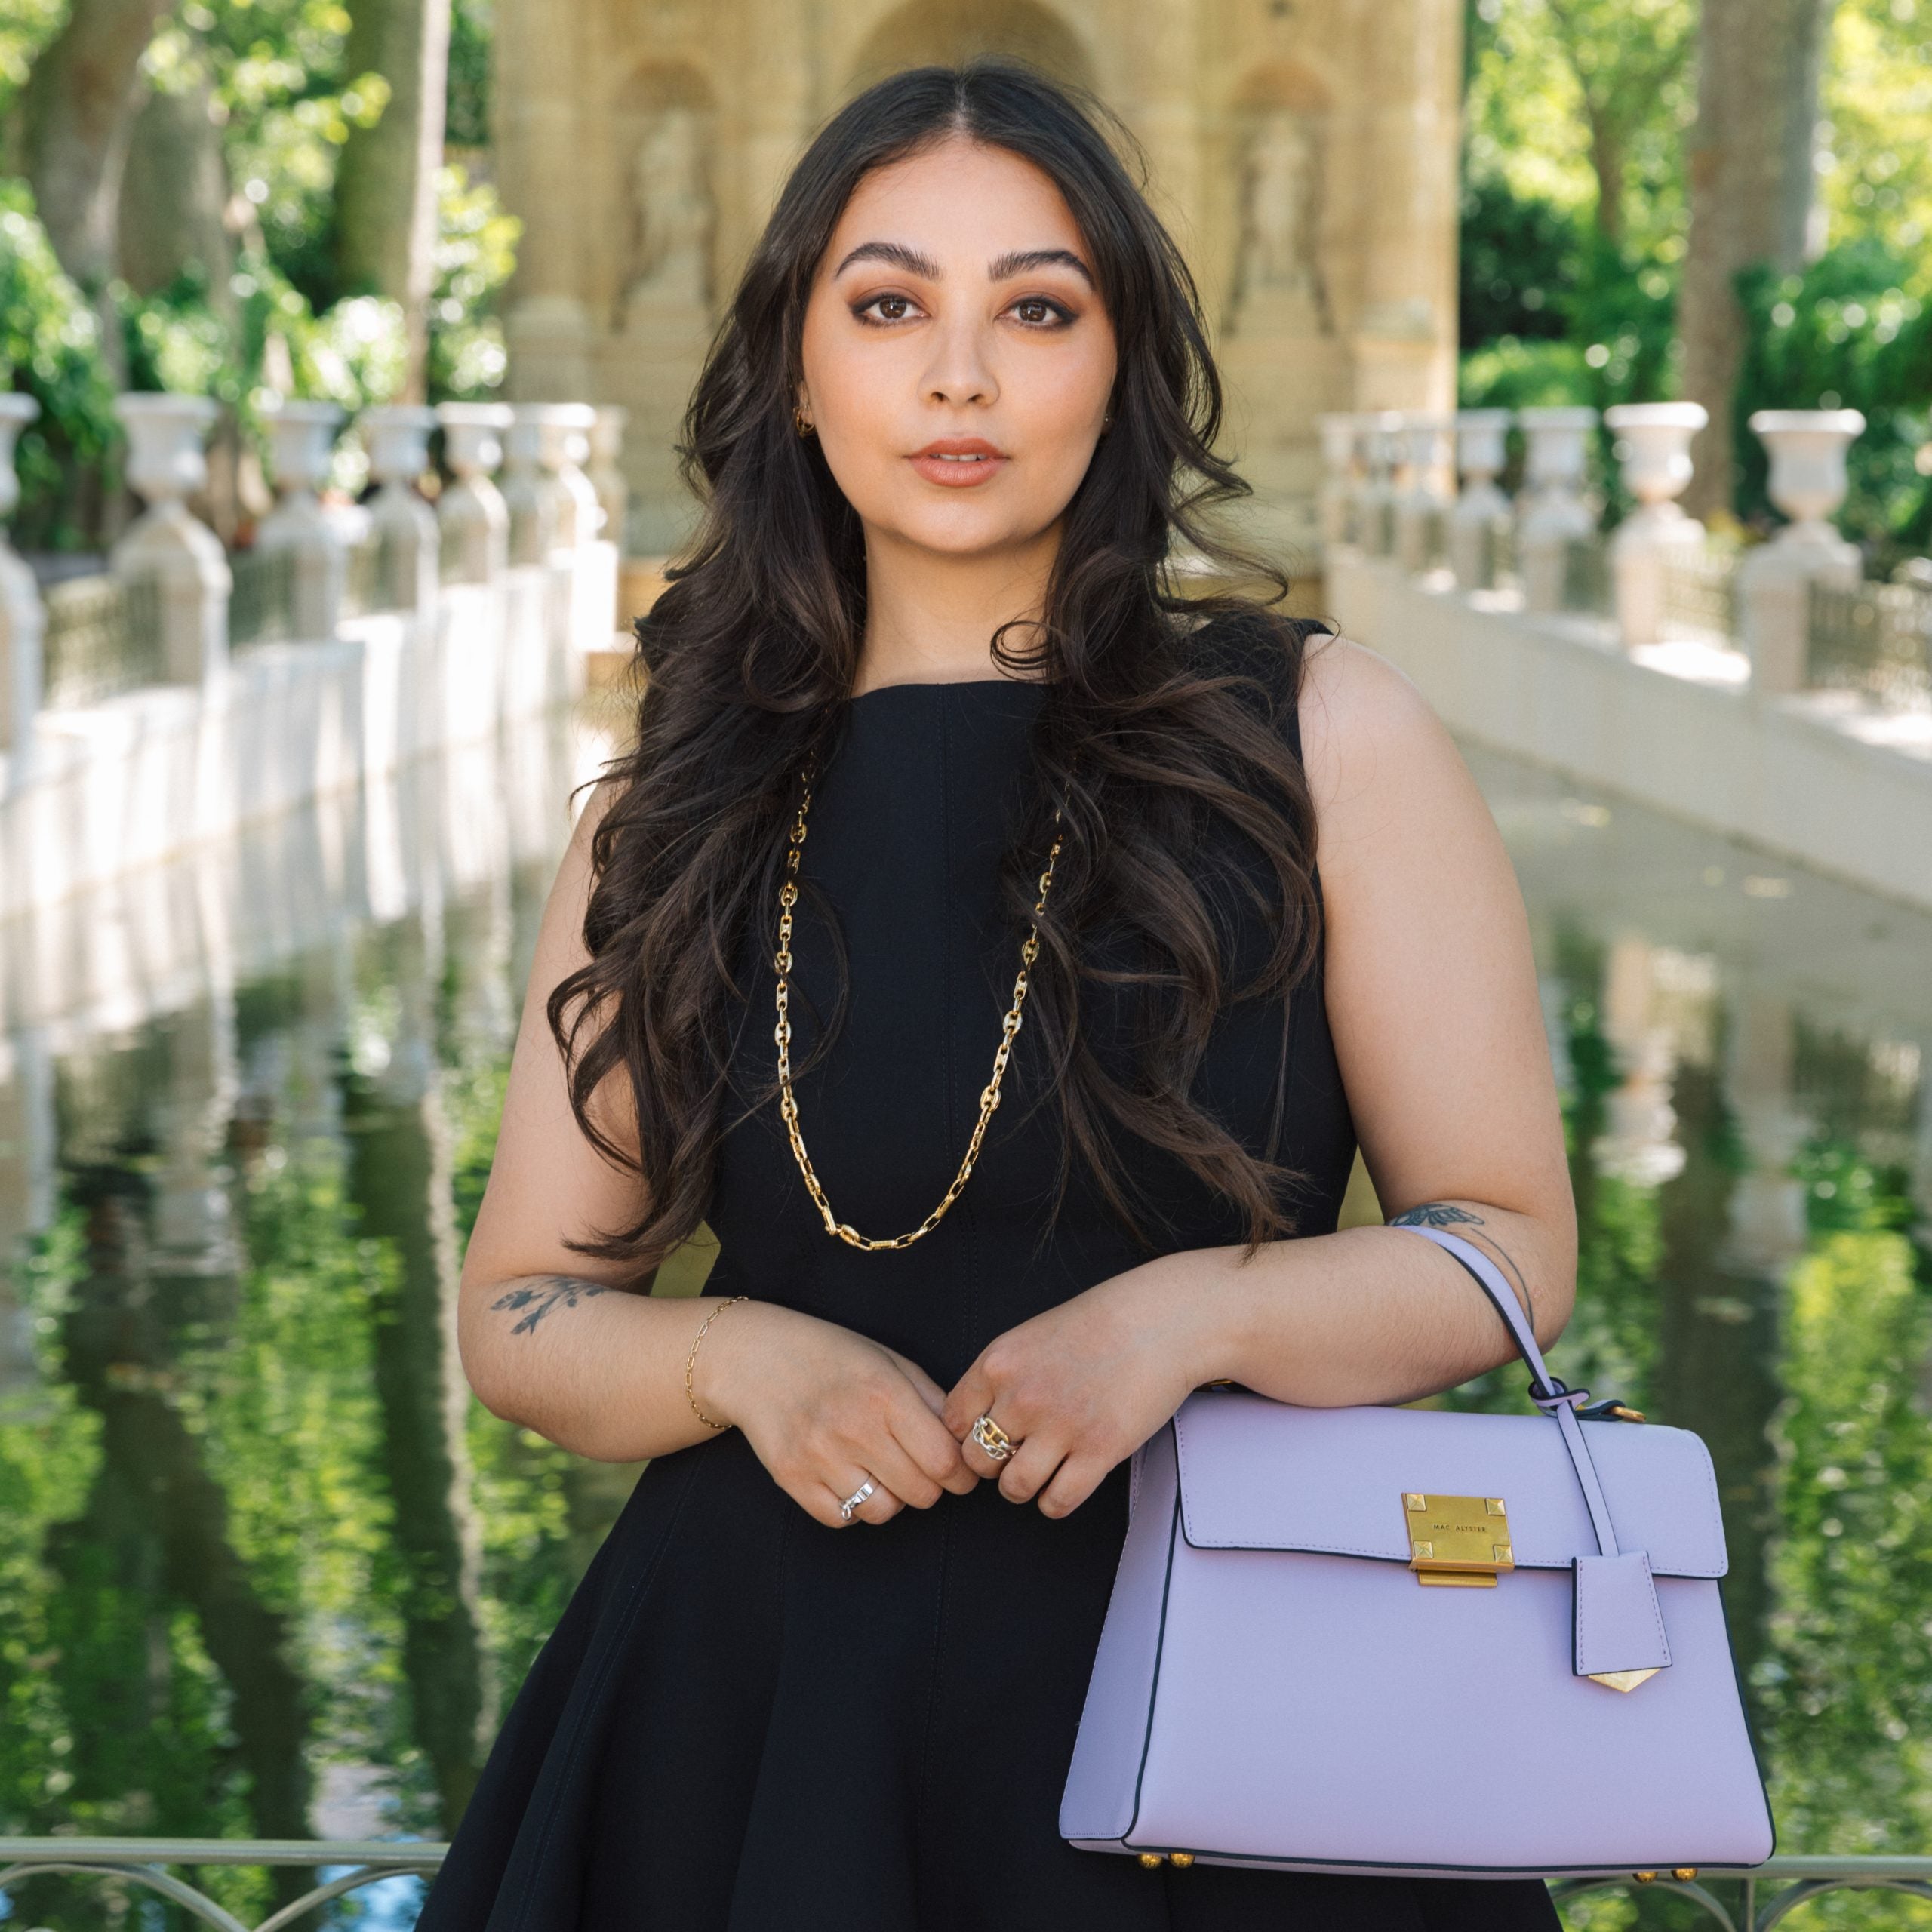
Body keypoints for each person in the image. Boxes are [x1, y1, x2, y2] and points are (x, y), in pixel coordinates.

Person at [417, 58, 1575, 1932]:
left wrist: (1193, 1318)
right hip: (763, 1728)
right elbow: (523, 1306)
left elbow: (1507, 1246)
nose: (957, 375)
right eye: (888, 306)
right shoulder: (672, 801)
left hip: (1253, 1704)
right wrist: (733, 1356)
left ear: (1113, 365)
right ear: (799, 369)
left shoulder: (1320, 733)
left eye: (1033, 309)